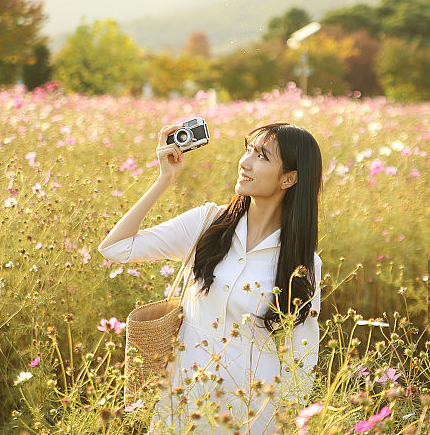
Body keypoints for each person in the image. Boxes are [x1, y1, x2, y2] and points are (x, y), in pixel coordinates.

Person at [98, 121, 323, 434]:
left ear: (289, 178)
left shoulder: (304, 262)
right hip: (181, 407)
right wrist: (165, 179)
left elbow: (302, 358)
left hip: (250, 418)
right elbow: (116, 247)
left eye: (261, 156)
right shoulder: (207, 223)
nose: (244, 162)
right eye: (247, 150)